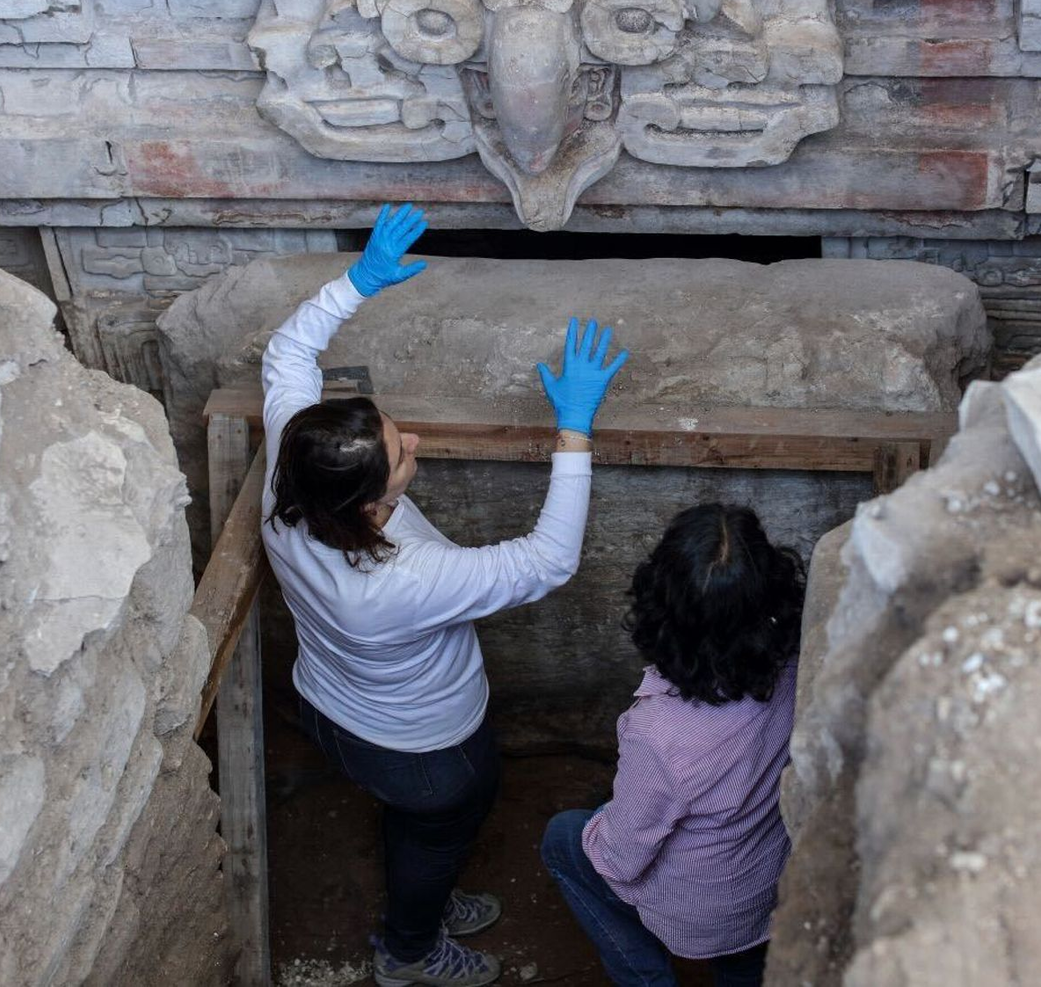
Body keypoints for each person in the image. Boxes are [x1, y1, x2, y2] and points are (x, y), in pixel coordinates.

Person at [261, 203, 628, 987]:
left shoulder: (290, 472)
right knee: (444, 820)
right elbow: (548, 560)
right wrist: (573, 432)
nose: (415, 443)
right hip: (426, 747)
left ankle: (422, 890)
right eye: (400, 454)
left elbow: (289, 350)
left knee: (419, 828)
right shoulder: (400, 581)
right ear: (370, 504)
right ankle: (409, 948)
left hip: (328, 705)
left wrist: (356, 283)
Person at [541, 503, 805, 987]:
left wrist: (606, 821)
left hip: (701, 911)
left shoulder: (658, 731)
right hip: (772, 879)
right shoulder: (799, 657)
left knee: (564, 837)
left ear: (662, 602)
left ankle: (646, 978)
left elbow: (620, 859)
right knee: (745, 966)